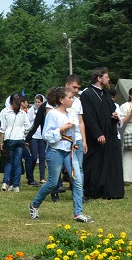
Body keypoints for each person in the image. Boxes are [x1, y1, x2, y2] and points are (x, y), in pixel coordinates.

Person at [29, 86, 92, 223]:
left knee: (78, 180)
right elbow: (46, 135)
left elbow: (74, 132)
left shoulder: (70, 114)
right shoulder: (52, 114)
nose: (72, 100)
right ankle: (34, 204)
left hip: (69, 151)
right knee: (52, 183)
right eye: (69, 98)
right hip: (55, 151)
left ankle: (78, 213)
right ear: (61, 100)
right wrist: (61, 130)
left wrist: (76, 142)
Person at [80, 67, 124, 200]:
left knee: (111, 162)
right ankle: (93, 191)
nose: (109, 79)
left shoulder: (105, 93)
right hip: (96, 137)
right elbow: (88, 116)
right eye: (107, 77)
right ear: (99, 78)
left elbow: (111, 110)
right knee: (95, 163)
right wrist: (97, 133)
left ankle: (111, 191)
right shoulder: (87, 94)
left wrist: (116, 116)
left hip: (110, 134)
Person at [0, 94, 30, 193]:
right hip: (20, 139)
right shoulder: (22, 113)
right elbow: (28, 126)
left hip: (9, 138)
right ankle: (16, 185)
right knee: (18, 163)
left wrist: (2, 141)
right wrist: (22, 132)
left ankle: (5, 182)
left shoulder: (5, 112)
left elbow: (2, 128)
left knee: (9, 162)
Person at [26, 94, 47, 185]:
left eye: (40, 102)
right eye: (37, 102)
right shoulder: (31, 111)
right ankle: (30, 176)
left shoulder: (45, 110)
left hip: (42, 136)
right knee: (34, 157)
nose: (38, 104)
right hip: (34, 136)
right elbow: (28, 122)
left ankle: (42, 177)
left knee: (42, 157)